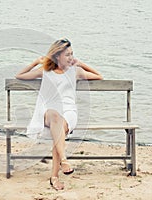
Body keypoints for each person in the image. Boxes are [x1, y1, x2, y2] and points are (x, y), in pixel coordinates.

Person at [15, 38, 103, 190]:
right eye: (67, 55)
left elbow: (99, 76)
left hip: (69, 112)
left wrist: (81, 63)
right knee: (55, 116)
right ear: (57, 56)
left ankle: (54, 177)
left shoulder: (75, 72)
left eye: (72, 54)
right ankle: (63, 160)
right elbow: (19, 76)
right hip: (48, 111)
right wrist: (36, 62)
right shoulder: (45, 72)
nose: (71, 57)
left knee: (59, 130)